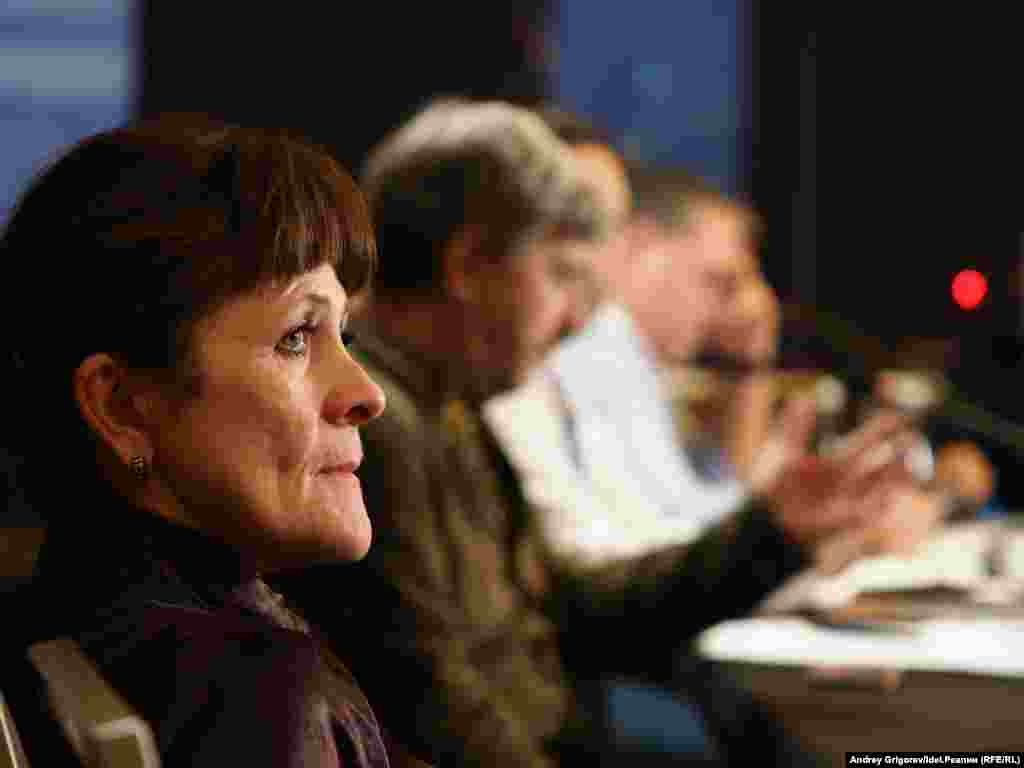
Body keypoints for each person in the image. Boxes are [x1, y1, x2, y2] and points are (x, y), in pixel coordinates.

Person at [276, 98, 922, 768]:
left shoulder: (453, 409)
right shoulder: (378, 427)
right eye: (560, 275)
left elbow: (573, 612)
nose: (576, 321)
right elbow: (434, 715)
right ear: (470, 266)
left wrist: (773, 532)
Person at [0, 117, 392, 767]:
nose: (367, 394)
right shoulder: (258, 695)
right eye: (296, 338)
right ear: (120, 406)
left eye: (343, 336)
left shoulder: (56, 626)